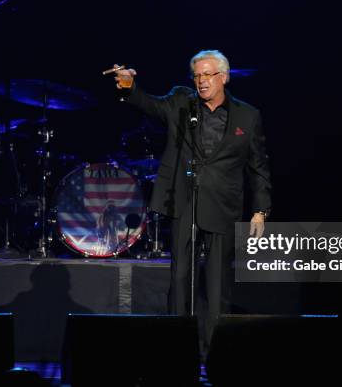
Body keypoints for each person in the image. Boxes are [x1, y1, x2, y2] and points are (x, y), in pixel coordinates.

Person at [111, 50, 272, 355]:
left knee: (217, 283)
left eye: (207, 75)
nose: (201, 81)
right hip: (185, 201)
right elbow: (150, 104)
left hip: (224, 205)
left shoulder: (248, 116)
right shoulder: (182, 102)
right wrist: (129, 86)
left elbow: (259, 167)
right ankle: (178, 349)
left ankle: (215, 351)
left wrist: (260, 211)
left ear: (223, 77)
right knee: (180, 277)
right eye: (197, 75)